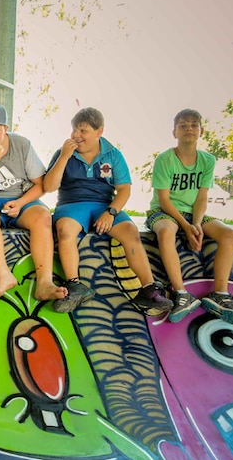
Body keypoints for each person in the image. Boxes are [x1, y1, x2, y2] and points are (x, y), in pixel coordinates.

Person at [43, 107, 170, 312]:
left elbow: (124, 190)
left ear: (99, 132)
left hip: (104, 205)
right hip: (71, 205)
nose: (76, 135)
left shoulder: (113, 154)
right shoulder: (63, 153)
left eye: (83, 131)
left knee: (130, 231)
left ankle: (148, 289)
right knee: (65, 230)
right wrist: (64, 157)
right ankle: (75, 285)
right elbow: (48, 187)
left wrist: (111, 212)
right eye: (75, 129)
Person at [146, 109, 233, 324]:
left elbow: (202, 197)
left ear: (202, 130)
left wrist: (197, 224)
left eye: (193, 124)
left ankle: (220, 294)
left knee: (229, 234)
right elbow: (164, 200)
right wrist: (186, 225)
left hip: (194, 213)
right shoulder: (165, 159)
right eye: (183, 125)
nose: (189, 128)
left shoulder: (208, 160)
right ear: (175, 132)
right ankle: (182, 294)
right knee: (165, 232)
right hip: (165, 212)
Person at [0, 104, 69, 309]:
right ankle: (3, 274)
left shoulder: (21, 144)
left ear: (6, 128)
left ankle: (45, 283)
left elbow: (41, 185)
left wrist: (21, 203)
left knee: (43, 215)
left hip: (23, 199)